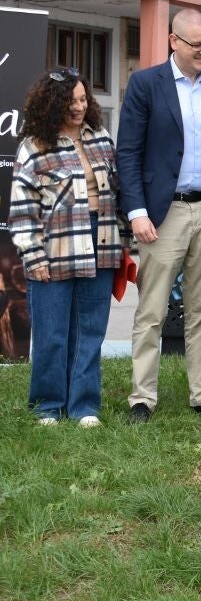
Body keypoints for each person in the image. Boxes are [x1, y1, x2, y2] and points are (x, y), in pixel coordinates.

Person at [117, 8, 201, 424]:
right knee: (152, 309)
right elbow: (129, 153)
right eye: (197, 45)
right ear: (174, 41)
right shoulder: (145, 84)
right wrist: (136, 211)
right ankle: (142, 398)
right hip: (161, 213)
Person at [9, 67, 126, 427]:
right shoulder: (33, 147)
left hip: (100, 241)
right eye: (70, 101)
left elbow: (117, 192)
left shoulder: (101, 137)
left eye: (82, 99)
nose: (78, 107)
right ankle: (47, 406)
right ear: (51, 104)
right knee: (52, 332)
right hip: (55, 245)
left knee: (91, 330)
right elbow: (22, 210)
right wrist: (33, 254)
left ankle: (84, 407)